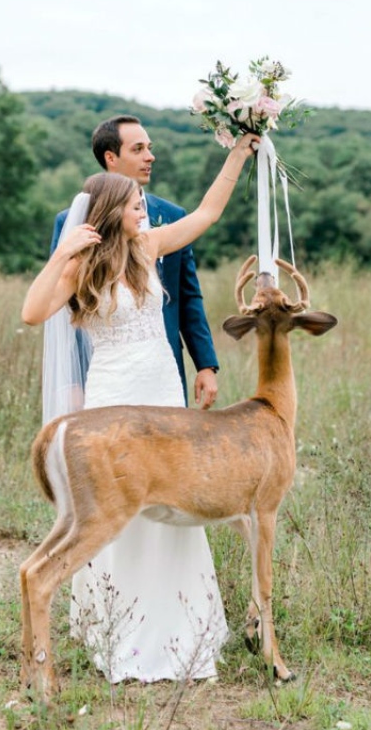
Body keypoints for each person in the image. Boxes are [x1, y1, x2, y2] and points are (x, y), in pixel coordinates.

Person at [22, 130, 259, 684]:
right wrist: (63, 252)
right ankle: (117, 630)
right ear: (112, 211)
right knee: (114, 508)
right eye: (135, 207)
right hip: (112, 395)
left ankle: (179, 629)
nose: (144, 212)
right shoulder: (83, 267)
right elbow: (34, 312)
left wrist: (237, 155)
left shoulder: (151, 248)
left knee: (175, 500)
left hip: (160, 392)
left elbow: (206, 212)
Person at [51, 115, 218, 409]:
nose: (150, 157)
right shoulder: (72, 221)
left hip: (163, 367)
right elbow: (64, 308)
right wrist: (73, 381)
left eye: (149, 148)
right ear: (111, 157)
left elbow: (188, 295)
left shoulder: (173, 214)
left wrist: (205, 364)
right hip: (101, 368)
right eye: (138, 149)